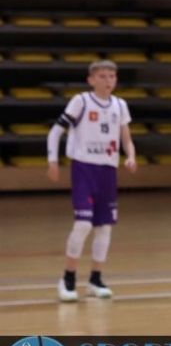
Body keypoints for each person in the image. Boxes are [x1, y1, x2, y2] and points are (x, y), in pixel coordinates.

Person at [45, 59, 135, 302]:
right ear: (91, 80)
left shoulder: (120, 105)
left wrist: (131, 156)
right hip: (84, 168)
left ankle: (95, 279)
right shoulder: (81, 101)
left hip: (108, 170)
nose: (108, 81)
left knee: (104, 227)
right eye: (103, 76)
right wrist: (52, 161)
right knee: (83, 223)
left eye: (112, 76)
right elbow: (55, 131)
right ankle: (68, 278)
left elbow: (126, 138)